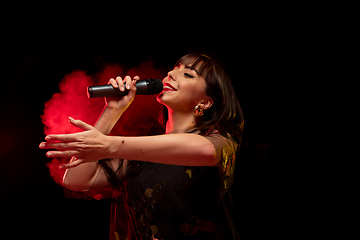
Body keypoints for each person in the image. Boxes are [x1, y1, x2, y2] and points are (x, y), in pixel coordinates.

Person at [40, 53, 244, 240]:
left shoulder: (224, 141)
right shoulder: (139, 154)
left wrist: (107, 145)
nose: (171, 74)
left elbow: (205, 151)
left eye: (188, 74)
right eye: (174, 68)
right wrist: (111, 111)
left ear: (206, 102)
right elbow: (76, 180)